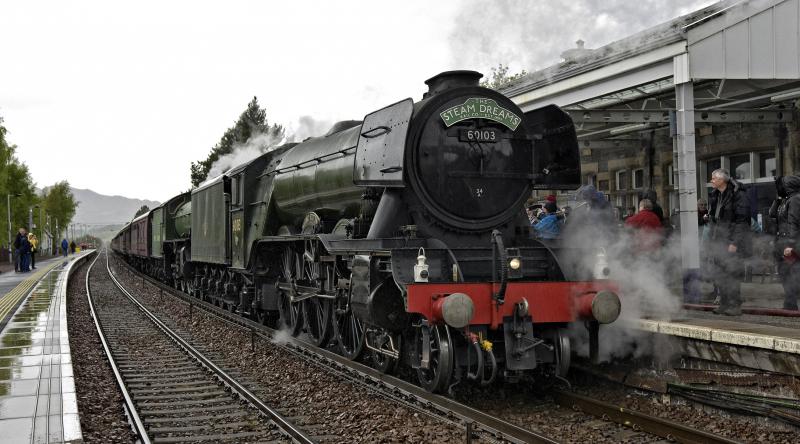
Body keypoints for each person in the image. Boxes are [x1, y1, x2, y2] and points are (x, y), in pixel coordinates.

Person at [708, 168, 752, 316]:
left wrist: (735, 242)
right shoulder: (715, 195)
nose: (711, 181)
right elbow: (715, 219)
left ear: (722, 180)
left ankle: (735, 304)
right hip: (719, 240)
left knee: (732, 273)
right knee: (720, 274)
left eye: (713, 178)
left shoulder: (738, 195)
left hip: (732, 241)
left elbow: (742, 221)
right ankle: (724, 303)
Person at [771, 175, 800, 310]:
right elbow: (772, 214)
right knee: (784, 273)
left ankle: (790, 303)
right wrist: (777, 200)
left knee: (791, 274)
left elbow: (793, 223)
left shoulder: (795, 200)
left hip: (790, 243)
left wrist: (791, 245)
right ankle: (790, 302)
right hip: (782, 242)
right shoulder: (786, 200)